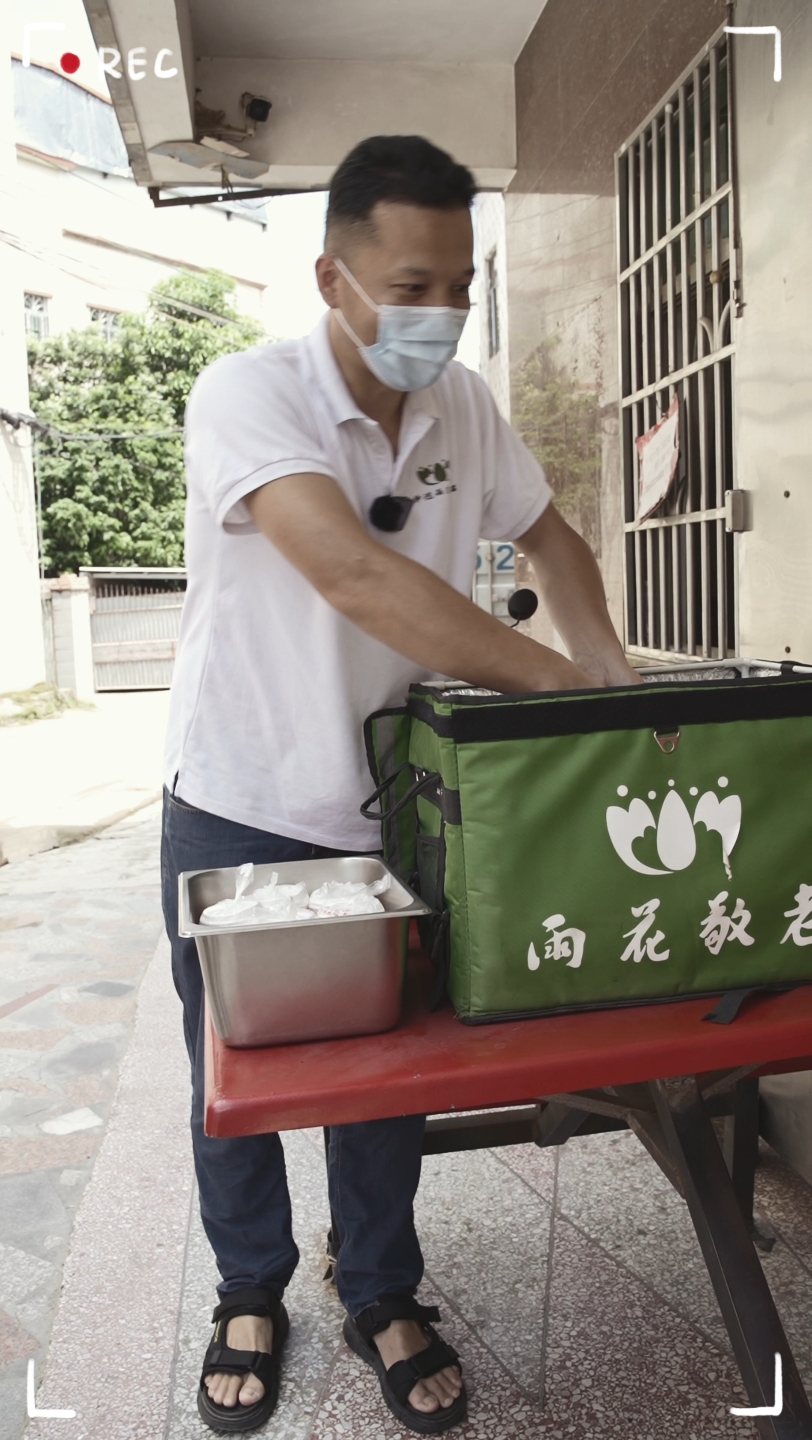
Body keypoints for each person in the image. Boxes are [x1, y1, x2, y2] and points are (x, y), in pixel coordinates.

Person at [161, 133, 639, 1436]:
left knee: (387, 1078)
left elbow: (549, 529)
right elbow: (360, 576)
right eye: (412, 284)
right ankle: (248, 1291)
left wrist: (611, 666)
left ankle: (380, 1288)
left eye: (461, 287)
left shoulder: (463, 408)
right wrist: (556, 686)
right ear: (334, 276)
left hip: (392, 811)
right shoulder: (246, 396)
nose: (441, 315)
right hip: (242, 797)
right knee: (240, 1076)